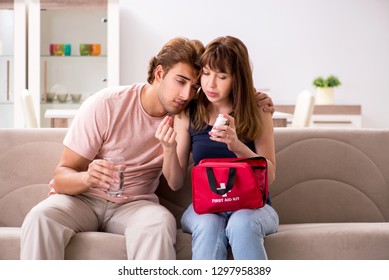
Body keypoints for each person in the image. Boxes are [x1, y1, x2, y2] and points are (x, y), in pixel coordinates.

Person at [20, 36, 274, 260]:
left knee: (159, 224)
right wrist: (87, 178)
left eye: (194, 87)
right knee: (41, 218)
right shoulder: (106, 105)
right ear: (160, 74)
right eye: (181, 81)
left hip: (136, 205)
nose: (186, 94)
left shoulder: (187, 112)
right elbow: (61, 176)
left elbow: (229, 93)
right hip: (83, 200)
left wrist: (253, 98)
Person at [155, 36, 279, 260]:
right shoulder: (190, 112)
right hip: (206, 205)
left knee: (241, 223)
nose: (210, 84)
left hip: (254, 207)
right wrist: (168, 149)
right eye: (206, 73)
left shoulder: (258, 110)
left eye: (222, 76)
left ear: (237, 79)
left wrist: (238, 146)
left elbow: (269, 176)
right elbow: (175, 182)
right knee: (209, 223)